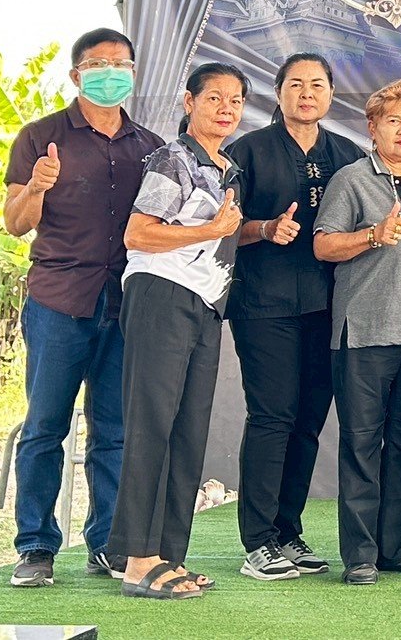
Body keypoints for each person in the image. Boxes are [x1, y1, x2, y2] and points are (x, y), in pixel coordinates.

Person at [2, 28, 164, 588]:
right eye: (99, 65)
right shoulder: (40, 137)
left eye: (122, 65)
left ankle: (107, 545)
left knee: (114, 431)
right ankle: (35, 546)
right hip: (58, 303)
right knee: (44, 427)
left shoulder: (151, 147)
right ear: (76, 75)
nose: (111, 73)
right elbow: (15, 223)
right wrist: (36, 188)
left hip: (126, 305)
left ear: (133, 74)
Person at [108, 63, 248, 599]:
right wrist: (210, 228)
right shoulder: (175, 158)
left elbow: (221, 236)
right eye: (214, 97)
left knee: (188, 432)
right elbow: (139, 233)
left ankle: (168, 556)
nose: (226, 108)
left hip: (205, 304)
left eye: (235, 100)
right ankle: (136, 559)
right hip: (161, 296)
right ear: (189, 103)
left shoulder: (229, 169)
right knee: (152, 427)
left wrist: (259, 230)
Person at [225, 53, 363, 581]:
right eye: (296, 84)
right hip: (264, 305)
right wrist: (263, 229)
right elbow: (217, 227)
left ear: (331, 94)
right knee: (272, 416)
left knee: (308, 421)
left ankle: (287, 532)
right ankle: (258, 541)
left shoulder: (346, 154)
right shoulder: (246, 152)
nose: (307, 94)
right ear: (278, 92)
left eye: (317, 85)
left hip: (329, 306)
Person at [313, 78, 401, 586]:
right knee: (362, 445)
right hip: (364, 334)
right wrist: (373, 235)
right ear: (373, 129)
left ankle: (394, 546)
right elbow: (323, 246)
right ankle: (360, 555)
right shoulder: (351, 180)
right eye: (394, 120)